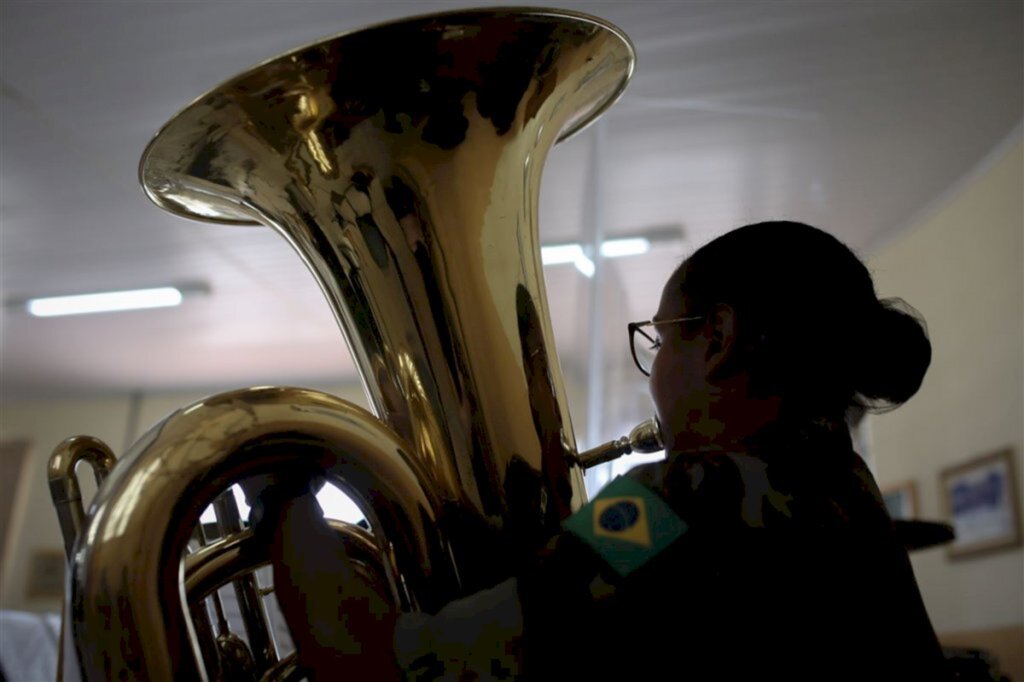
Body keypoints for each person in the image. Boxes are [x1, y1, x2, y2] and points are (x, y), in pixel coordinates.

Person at [260, 221, 948, 680]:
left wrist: (286, 497)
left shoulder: (677, 499)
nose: (655, 379)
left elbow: (380, 665)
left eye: (660, 341)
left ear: (717, 337)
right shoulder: (846, 487)